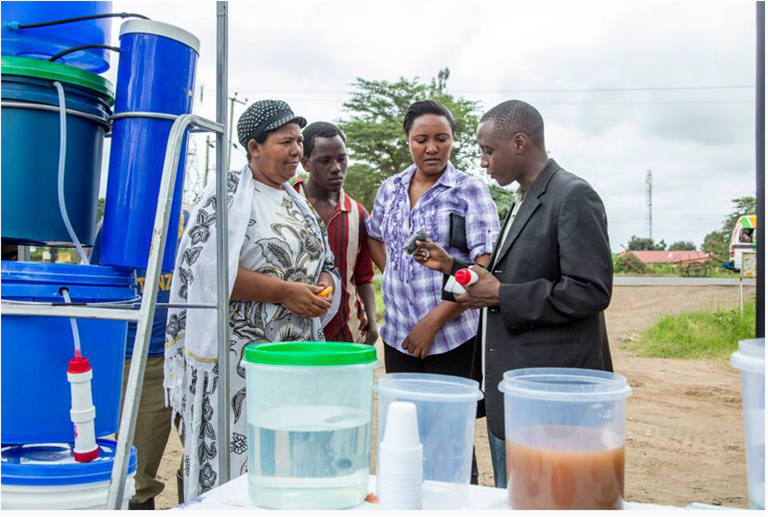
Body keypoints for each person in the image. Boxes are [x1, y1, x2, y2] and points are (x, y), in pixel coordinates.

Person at [414, 100, 614, 489]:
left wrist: (503, 295)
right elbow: (508, 279)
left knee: (551, 497)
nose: (484, 162)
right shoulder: (523, 198)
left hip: (552, 397)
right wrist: (453, 267)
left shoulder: (572, 195)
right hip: (515, 394)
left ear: (520, 143)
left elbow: (590, 290)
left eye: (489, 151)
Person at [164, 100, 340, 500]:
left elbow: (323, 260)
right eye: (285, 141)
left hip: (294, 353)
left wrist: (324, 284)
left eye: (299, 141)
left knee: (288, 451)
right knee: (240, 450)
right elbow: (206, 275)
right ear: (254, 147)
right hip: (242, 356)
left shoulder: (295, 201)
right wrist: (283, 292)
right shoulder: (225, 194)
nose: (297, 150)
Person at [90, 210, 187, 510]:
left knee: (207, 457)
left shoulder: (190, 219)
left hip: (191, 356)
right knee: (136, 474)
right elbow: (99, 290)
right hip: (140, 361)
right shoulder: (114, 226)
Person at [294, 121, 378, 344]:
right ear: (305, 163)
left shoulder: (358, 214)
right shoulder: (286, 205)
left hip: (347, 334)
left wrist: (372, 322)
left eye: (342, 158)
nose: (336, 167)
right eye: (325, 160)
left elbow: (363, 276)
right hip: (293, 333)